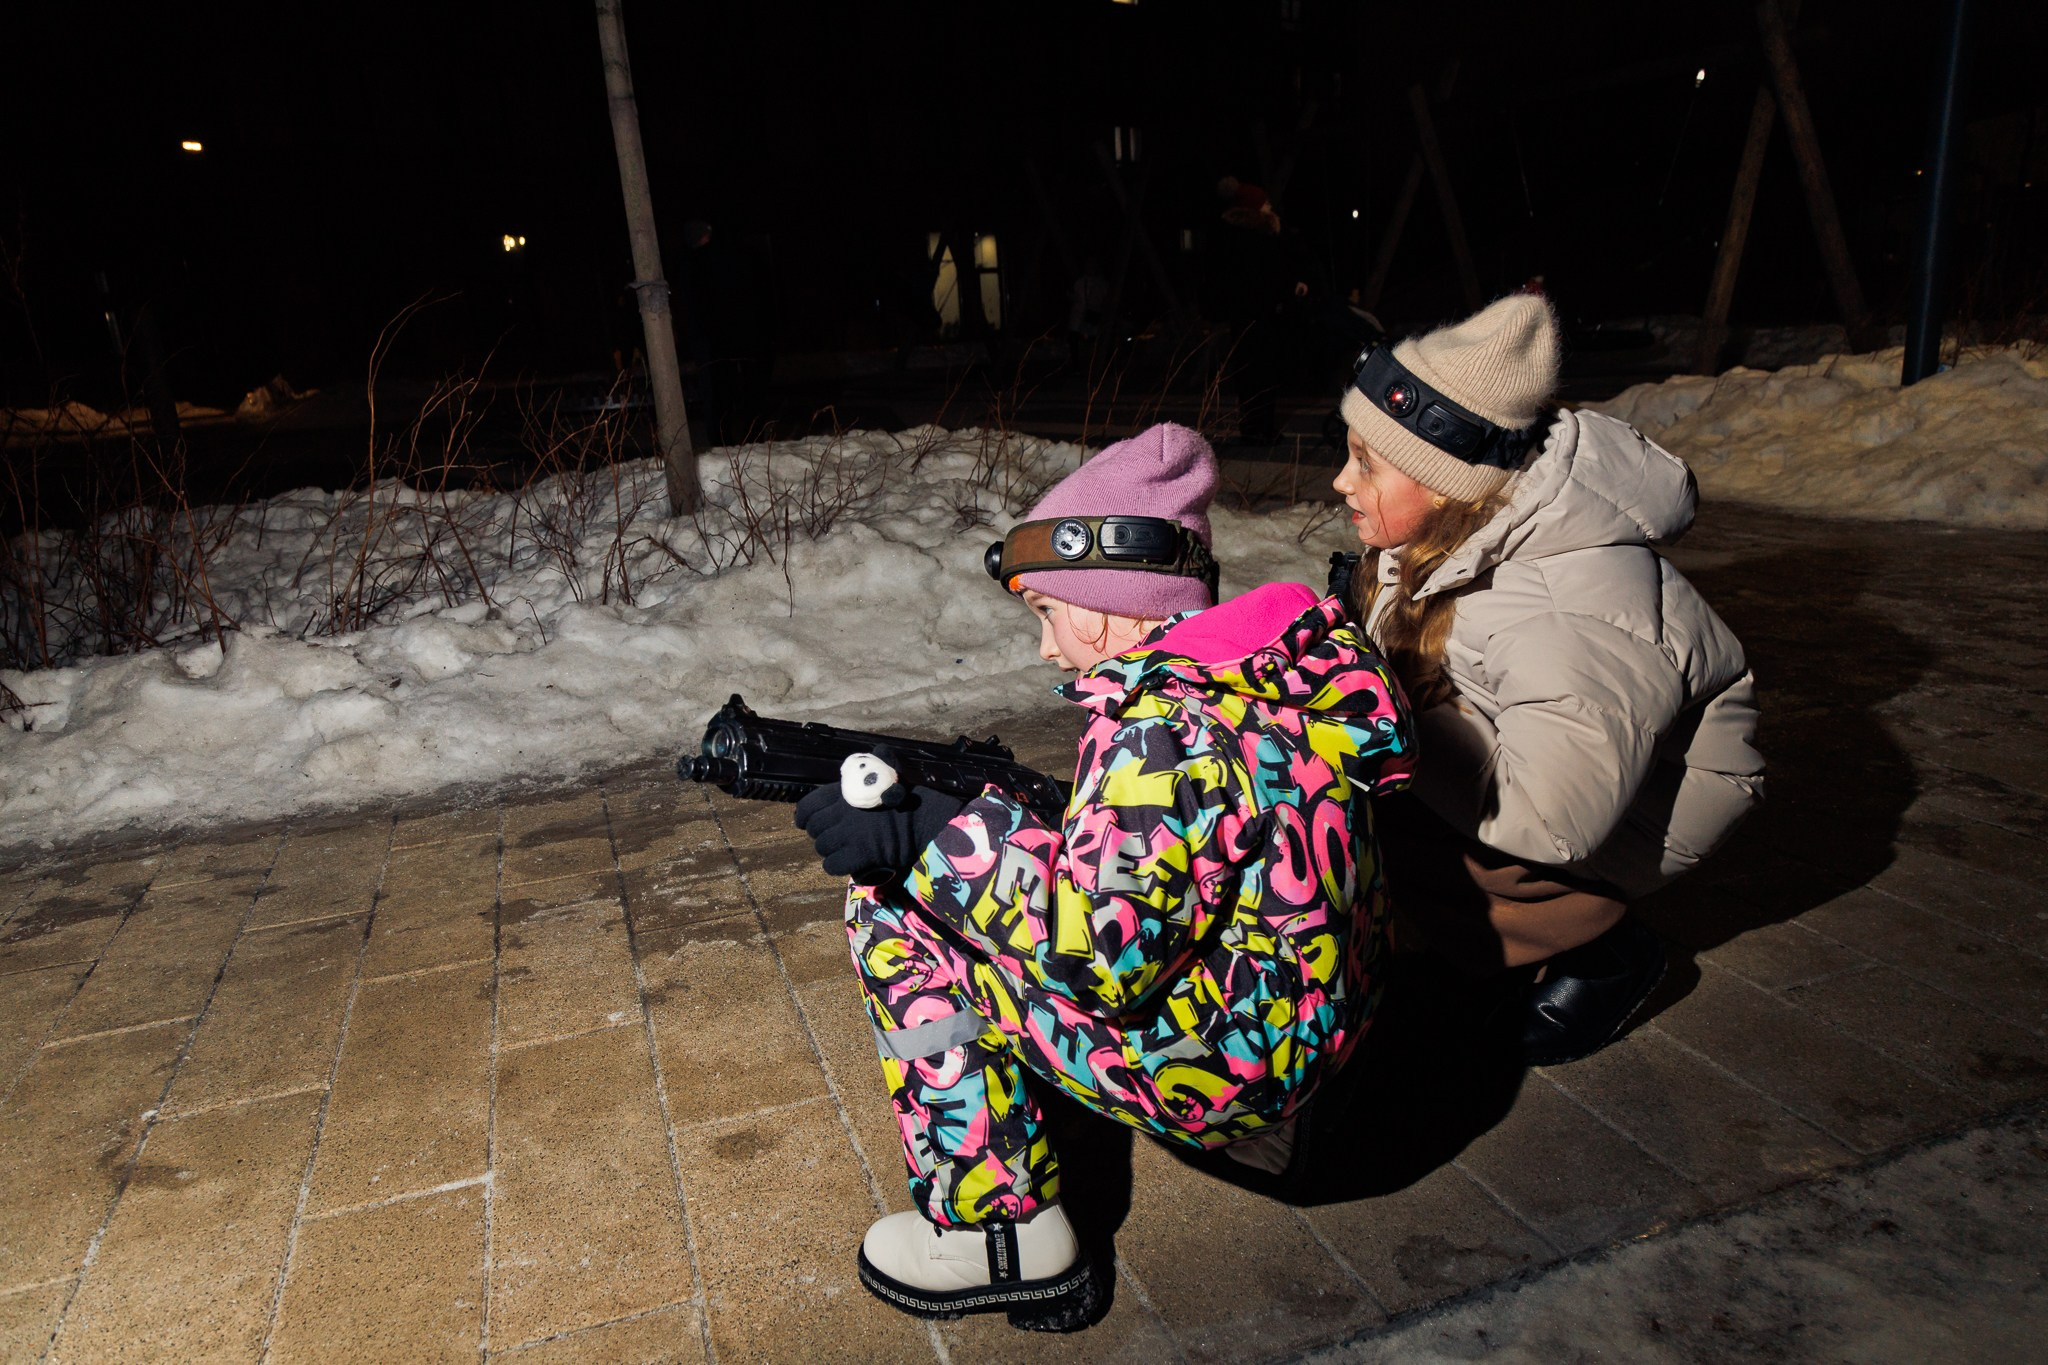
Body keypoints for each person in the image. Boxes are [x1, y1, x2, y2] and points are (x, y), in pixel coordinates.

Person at [795, 423, 1415, 1329]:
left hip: (1231, 1068)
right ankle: (1253, 1126)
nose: (1047, 646)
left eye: (1048, 613)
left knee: (894, 909)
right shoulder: (1265, 675)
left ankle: (999, 1233)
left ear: (1101, 600)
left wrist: (932, 839)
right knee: (1012, 862)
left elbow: (1096, 954)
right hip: (1320, 1028)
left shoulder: (1161, 729)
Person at [1330, 294, 1764, 1065]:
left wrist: (1378, 716)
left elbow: (1550, 818)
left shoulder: (1570, 605)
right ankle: (1471, 934)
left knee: (1380, 803)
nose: (1340, 481)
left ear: (1445, 480)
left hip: (1625, 812)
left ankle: (1600, 949)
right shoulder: (1453, 531)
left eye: (1366, 462)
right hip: (1561, 758)